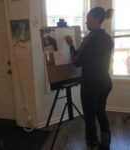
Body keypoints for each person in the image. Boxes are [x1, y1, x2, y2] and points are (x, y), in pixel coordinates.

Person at [65, 7, 114, 150]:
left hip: (91, 83)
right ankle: (105, 144)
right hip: (105, 81)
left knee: (89, 116)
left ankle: (91, 145)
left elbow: (76, 60)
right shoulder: (108, 38)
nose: (86, 23)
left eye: (88, 19)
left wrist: (71, 45)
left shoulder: (90, 38)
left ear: (96, 20)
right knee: (100, 112)